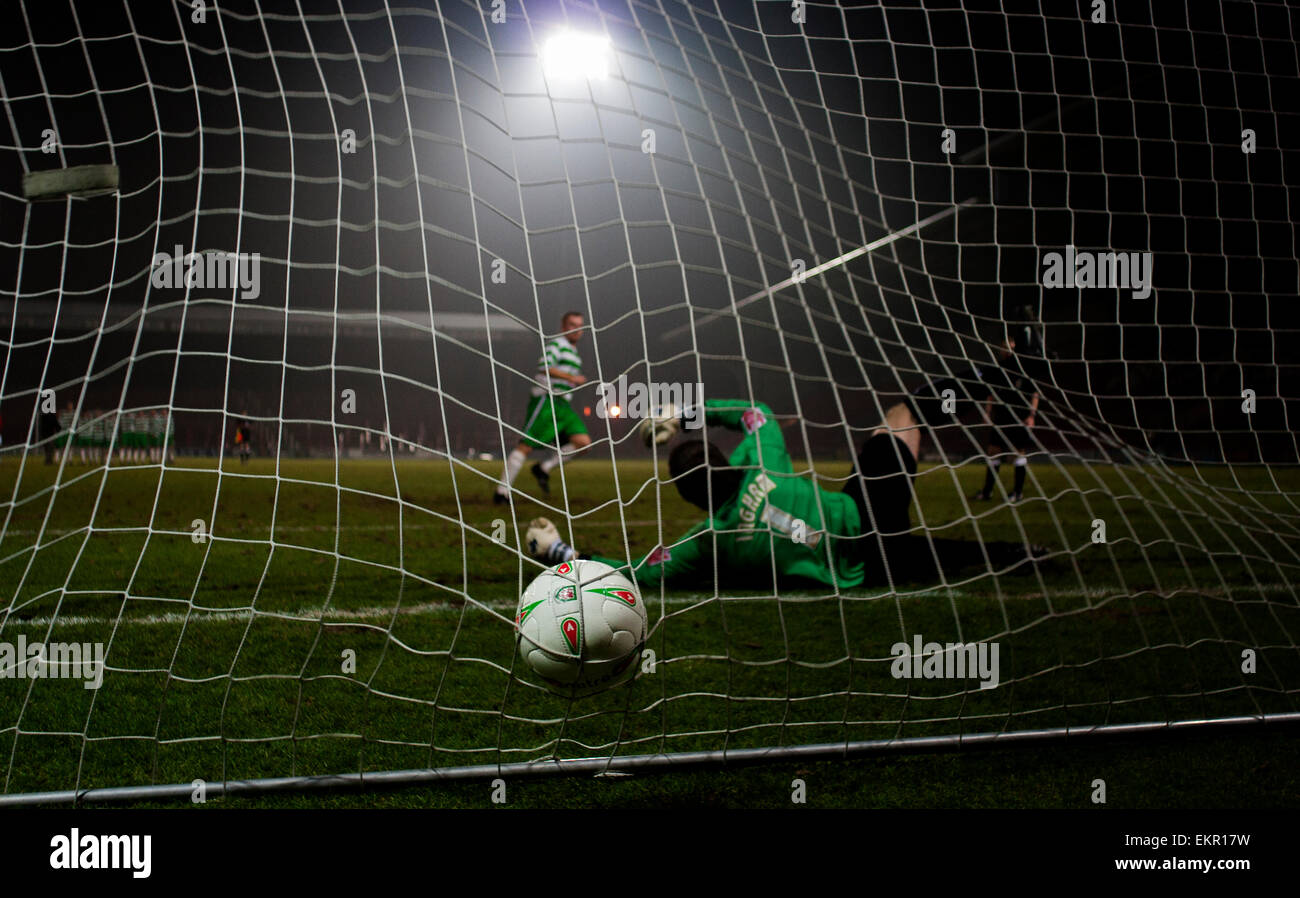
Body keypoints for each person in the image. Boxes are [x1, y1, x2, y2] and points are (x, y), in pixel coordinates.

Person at [526, 398, 1042, 589]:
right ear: (727, 458)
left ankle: (1015, 554)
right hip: (865, 509)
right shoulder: (763, 461)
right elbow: (755, 412)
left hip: (867, 566)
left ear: (688, 499)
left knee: (940, 557)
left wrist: (559, 553)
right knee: (902, 417)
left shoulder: (708, 542)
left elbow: (633, 571)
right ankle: (978, 396)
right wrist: (683, 415)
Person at [494, 311, 592, 504]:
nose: (577, 329)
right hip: (547, 400)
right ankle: (501, 492)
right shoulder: (556, 344)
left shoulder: (574, 353)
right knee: (526, 446)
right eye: (572, 324)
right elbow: (544, 366)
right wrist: (571, 378)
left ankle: (543, 468)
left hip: (564, 404)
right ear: (563, 327)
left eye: (580, 325)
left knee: (583, 442)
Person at [974, 328, 1040, 503]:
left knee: (1017, 453)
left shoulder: (1023, 368)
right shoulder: (999, 368)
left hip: (1019, 415)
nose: (1005, 349)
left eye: (1009, 346)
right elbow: (991, 393)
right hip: (1001, 416)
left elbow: (1034, 393)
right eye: (1003, 346)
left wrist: (1031, 415)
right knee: (993, 451)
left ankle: (1017, 492)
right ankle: (987, 491)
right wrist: (987, 413)